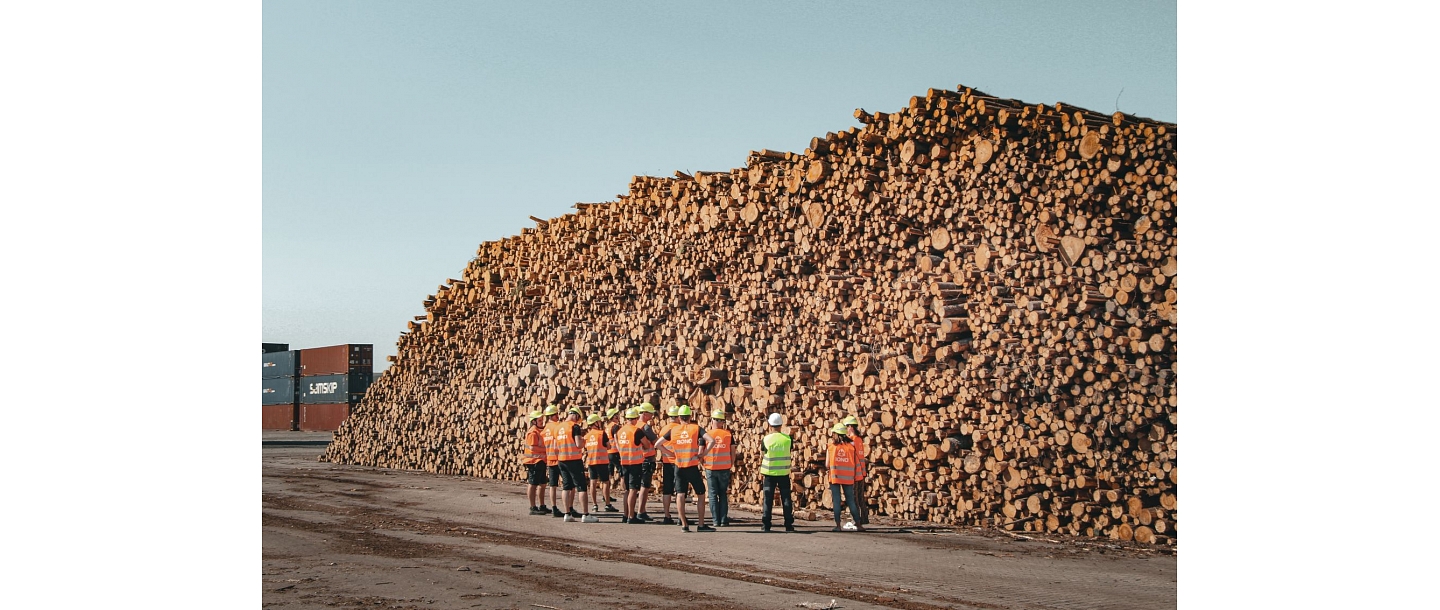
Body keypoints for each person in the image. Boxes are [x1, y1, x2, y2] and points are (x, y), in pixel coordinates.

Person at [658, 405, 713, 532]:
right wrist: (703, 454)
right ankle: (700, 524)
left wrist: (669, 453)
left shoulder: (674, 430)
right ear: (690, 417)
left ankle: (684, 524)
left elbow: (658, 444)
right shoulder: (696, 428)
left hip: (678, 466)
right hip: (692, 466)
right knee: (700, 493)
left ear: (679, 417)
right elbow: (711, 440)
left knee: (680, 494)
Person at [552, 407, 595, 522]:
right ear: (576, 416)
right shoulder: (574, 427)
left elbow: (555, 448)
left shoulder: (557, 427)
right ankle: (586, 515)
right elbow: (578, 444)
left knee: (566, 487)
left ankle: (567, 514)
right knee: (581, 487)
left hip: (561, 460)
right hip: (574, 460)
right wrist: (584, 441)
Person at [615, 407, 657, 524]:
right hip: (635, 463)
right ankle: (631, 516)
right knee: (633, 489)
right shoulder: (636, 431)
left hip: (624, 462)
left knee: (627, 490)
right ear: (635, 419)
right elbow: (647, 445)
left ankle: (625, 515)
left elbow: (618, 445)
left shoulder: (620, 431)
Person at [759, 413, 795, 533]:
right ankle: (789, 524)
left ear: (769, 425)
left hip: (769, 474)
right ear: (781, 425)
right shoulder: (788, 439)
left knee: (768, 500)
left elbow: (763, 452)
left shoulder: (766, 439)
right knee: (786, 499)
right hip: (784, 473)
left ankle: (766, 525)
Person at [826, 423, 864, 532]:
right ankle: (858, 524)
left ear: (835, 434)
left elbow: (827, 464)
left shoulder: (831, 447)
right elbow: (857, 463)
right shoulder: (851, 447)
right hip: (848, 478)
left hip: (835, 477)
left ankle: (838, 525)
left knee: (836, 501)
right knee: (851, 501)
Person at [702, 407, 733, 527]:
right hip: (725, 467)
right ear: (722, 421)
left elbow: (701, 450)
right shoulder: (728, 435)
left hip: (710, 467)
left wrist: (702, 462)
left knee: (713, 494)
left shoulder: (706, 434)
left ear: (712, 421)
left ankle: (715, 520)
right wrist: (731, 463)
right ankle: (724, 520)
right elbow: (733, 451)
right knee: (723, 493)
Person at [583, 413, 618, 514]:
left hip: (591, 462)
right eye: (598, 421)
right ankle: (607, 504)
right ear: (595, 423)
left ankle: (594, 505)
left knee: (593, 483)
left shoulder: (587, 436)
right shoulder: (601, 433)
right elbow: (608, 447)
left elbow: (586, 448)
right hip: (602, 462)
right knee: (605, 482)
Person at [841, 414, 870, 526]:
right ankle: (864, 518)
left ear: (851, 427)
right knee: (860, 497)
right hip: (861, 472)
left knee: (854, 499)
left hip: (853, 474)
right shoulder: (859, 440)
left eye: (847, 427)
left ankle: (856, 520)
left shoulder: (852, 441)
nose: (846, 430)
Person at [634, 402, 660, 522]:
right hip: (647, 459)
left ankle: (632, 511)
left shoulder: (633, 425)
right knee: (645, 486)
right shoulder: (645, 427)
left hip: (636, 458)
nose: (652, 416)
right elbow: (655, 441)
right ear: (644, 413)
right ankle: (641, 511)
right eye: (650, 414)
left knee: (634, 486)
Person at [521, 409, 549, 515]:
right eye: (540, 420)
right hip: (534, 461)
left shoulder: (540, 431)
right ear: (534, 421)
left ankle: (542, 505)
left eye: (542, 420)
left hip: (541, 460)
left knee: (542, 483)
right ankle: (532, 507)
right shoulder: (533, 432)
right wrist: (546, 450)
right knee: (533, 484)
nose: (542, 422)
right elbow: (532, 448)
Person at [657, 405, 680, 525]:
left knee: (667, 490)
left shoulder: (664, 429)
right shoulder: (679, 428)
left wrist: (667, 453)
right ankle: (681, 516)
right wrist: (672, 453)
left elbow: (658, 445)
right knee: (679, 490)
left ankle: (666, 515)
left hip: (666, 462)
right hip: (678, 462)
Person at [540, 404, 564, 517]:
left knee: (552, 485)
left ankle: (554, 507)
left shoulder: (544, 430)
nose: (558, 416)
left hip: (550, 459)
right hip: (560, 458)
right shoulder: (558, 426)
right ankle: (569, 508)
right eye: (557, 414)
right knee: (568, 485)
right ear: (554, 415)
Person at [604, 407, 623, 508]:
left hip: (608, 452)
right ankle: (625, 491)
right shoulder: (615, 426)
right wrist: (620, 450)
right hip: (615, 451)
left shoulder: (607, 426)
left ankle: (606, 495)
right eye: (617, 415)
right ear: (614, 417)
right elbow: (616, 438)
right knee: (622, 471)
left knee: (609, 475)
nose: (618, 416)